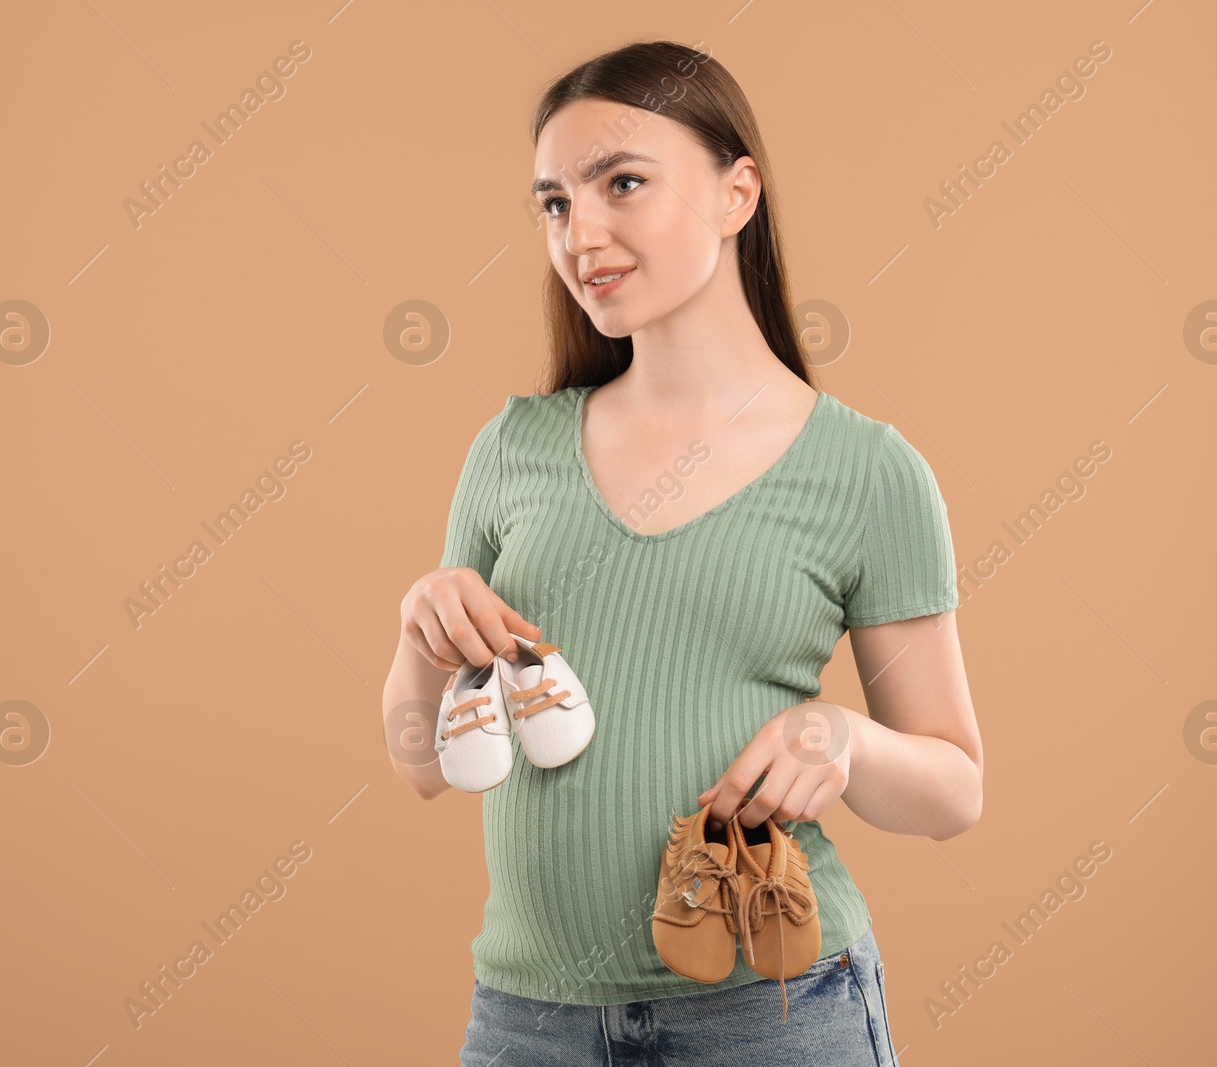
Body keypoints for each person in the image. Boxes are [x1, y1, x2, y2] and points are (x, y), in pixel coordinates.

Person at [382, 39, 983, 1067]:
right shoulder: (512, 449)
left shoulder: (868, 472)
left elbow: (953, 789)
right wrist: (420, 636)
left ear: (734, 192)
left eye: (622, 184)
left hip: (775, 1015)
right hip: (532, 1022)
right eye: (555, 204)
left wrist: (841, 736)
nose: (582, 234)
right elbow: (421, 764)